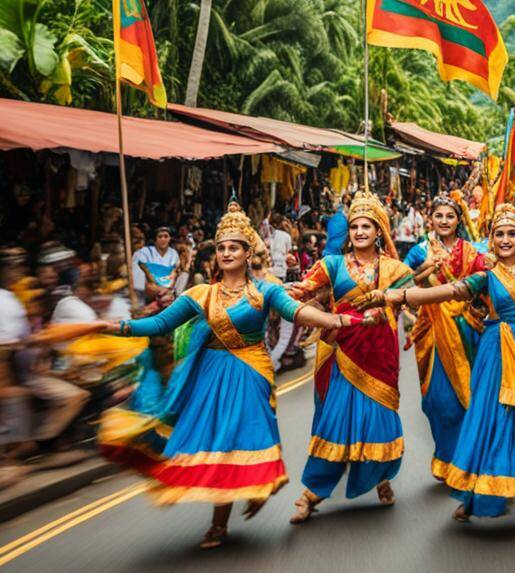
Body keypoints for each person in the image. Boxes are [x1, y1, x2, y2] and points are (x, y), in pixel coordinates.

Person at [98, 205, 360, 549]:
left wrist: (334, 321)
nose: (225, 254)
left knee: (249, 437)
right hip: (210, 374)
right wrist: (119, 326)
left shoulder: (265, 291)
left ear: (248, 253)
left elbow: (297, 311)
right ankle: (219, 525)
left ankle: (260, 484)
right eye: (221, 248)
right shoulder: (201, 294)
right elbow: (161, 324)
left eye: (233, 247)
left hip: (251, 372)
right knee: (218, 445)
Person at [362, 202, 515, 533]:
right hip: (495, 356)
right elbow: (450, 290)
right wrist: (397, 296)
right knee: (487, 422)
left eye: (512, 234)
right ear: (492, 240)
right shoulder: (486, 276)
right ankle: (473, 496)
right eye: (499, 235)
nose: (506, 240)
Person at [288, 190, 414, 524]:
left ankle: (379, 476)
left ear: (378, 232)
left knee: (376, 421)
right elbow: (300, 291)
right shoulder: (331, 265)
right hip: (341, 353)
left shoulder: (395, 269)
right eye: (355, 226)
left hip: (379, 355)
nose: (359, 232)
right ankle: (310, 494)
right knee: (335, 422)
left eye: (366, 226)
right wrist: (270, 291)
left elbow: (415, 299)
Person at [402, 195, 486, 480]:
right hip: (433, 331)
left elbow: (485, 282)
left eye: (450, 216)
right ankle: (446, 455)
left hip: (467, 330)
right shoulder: (419, 251)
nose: (444, 221)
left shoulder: (472, 251)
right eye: (439, 216)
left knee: (470, 397)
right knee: (438, 400)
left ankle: (469, 458)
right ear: (431, 219)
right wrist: (427, 267)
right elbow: (401, 283)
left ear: (458, 220)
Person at [132, 227, 179, 304]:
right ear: (155, 240)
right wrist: (159, 288)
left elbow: (174, 273)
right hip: (150, 286)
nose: (163, 239)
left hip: (168, 286)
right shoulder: (144, 251)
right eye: (160, 237)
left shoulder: (173, 253)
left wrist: (168, 288)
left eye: (166, 236)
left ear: (170, 239)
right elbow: (144, 270)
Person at [267, 214, 292, 282]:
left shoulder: (267, 235)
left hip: (268, 269)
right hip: (281, 269)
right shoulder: (287, 236)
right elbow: (288, 252)